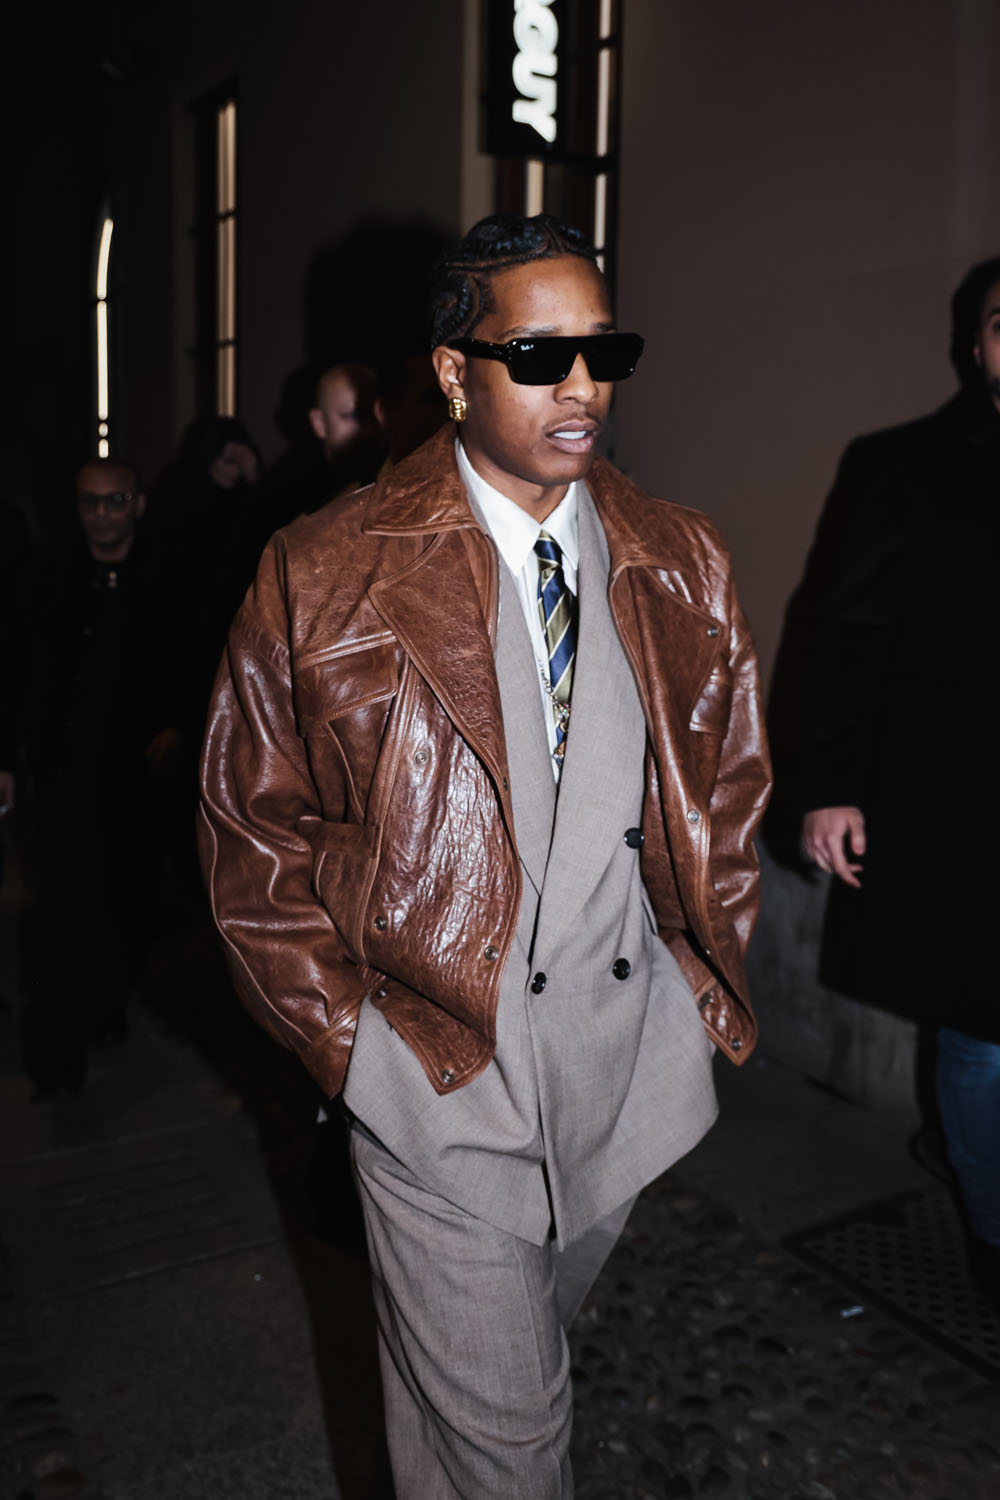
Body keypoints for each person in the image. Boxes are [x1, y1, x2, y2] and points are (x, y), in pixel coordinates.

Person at [199, 213, 771, 1496]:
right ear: (453, 373)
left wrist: (693, 984)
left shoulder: (681, 558)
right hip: (438, 1076)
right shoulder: (322, 571)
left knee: (459, 1412)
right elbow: (250, 834)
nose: (582, 386)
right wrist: (355, 1047)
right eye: (538, 355)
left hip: (625, 1079)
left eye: (603, 350)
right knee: (514, 1442)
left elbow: (729, 787)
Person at [801, 257, 1000, 1301]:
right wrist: (831, 784)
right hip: (960, 803)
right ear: (978, 345)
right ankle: (993, 1231)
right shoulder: (909, 465)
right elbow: (849, 635)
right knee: (984, 1036)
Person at [11, 458, 187, 1095]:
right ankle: (59, 1056)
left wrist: (179, 723)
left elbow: (195, 654)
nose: (102, 515)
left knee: (130, 897)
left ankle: (109, 999)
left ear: (136, 503)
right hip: (65, 770)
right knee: (64, 904)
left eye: (115, 501)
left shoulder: (167, 575)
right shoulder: (47, 579)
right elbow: (17, 670)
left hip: (138, 776)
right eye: (90, 502)